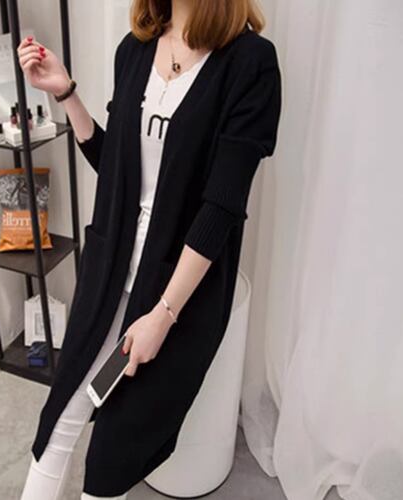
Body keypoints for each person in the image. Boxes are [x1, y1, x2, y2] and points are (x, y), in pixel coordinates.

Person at [18, 0, 281, 498]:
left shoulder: (251, 63)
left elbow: (222, 207)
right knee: (57, 423)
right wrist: (67, 94)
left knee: (113, 456)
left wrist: (163, 315)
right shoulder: (134, 51)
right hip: (109, 274)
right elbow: (117, 170)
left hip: (177, 295)